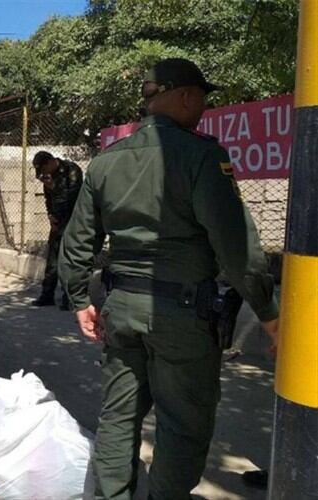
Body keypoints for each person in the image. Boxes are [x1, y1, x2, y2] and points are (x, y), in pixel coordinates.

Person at [58, 58, 280, 499]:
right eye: (201, 97)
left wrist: (80, 298)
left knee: (118, 418)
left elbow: (77, 240)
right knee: (182, 424)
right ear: (182, 96)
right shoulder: (201, 156)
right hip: (182, 316)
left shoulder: (105, 163)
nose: (202, 107)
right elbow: (236, 245)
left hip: (120, 309)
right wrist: (269, 314)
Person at [32, 151, 82, 309]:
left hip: (73, 220)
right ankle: (47, 295)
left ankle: (70, 298)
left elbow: (71, 198)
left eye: (44, 170)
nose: (44, 174)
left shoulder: (71, 170)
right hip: (58, 222)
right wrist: (50, 216)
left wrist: (52, 187)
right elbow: (48, 200)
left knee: (70, 259)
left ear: (50, 162)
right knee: (52, 259)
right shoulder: (48, 177)